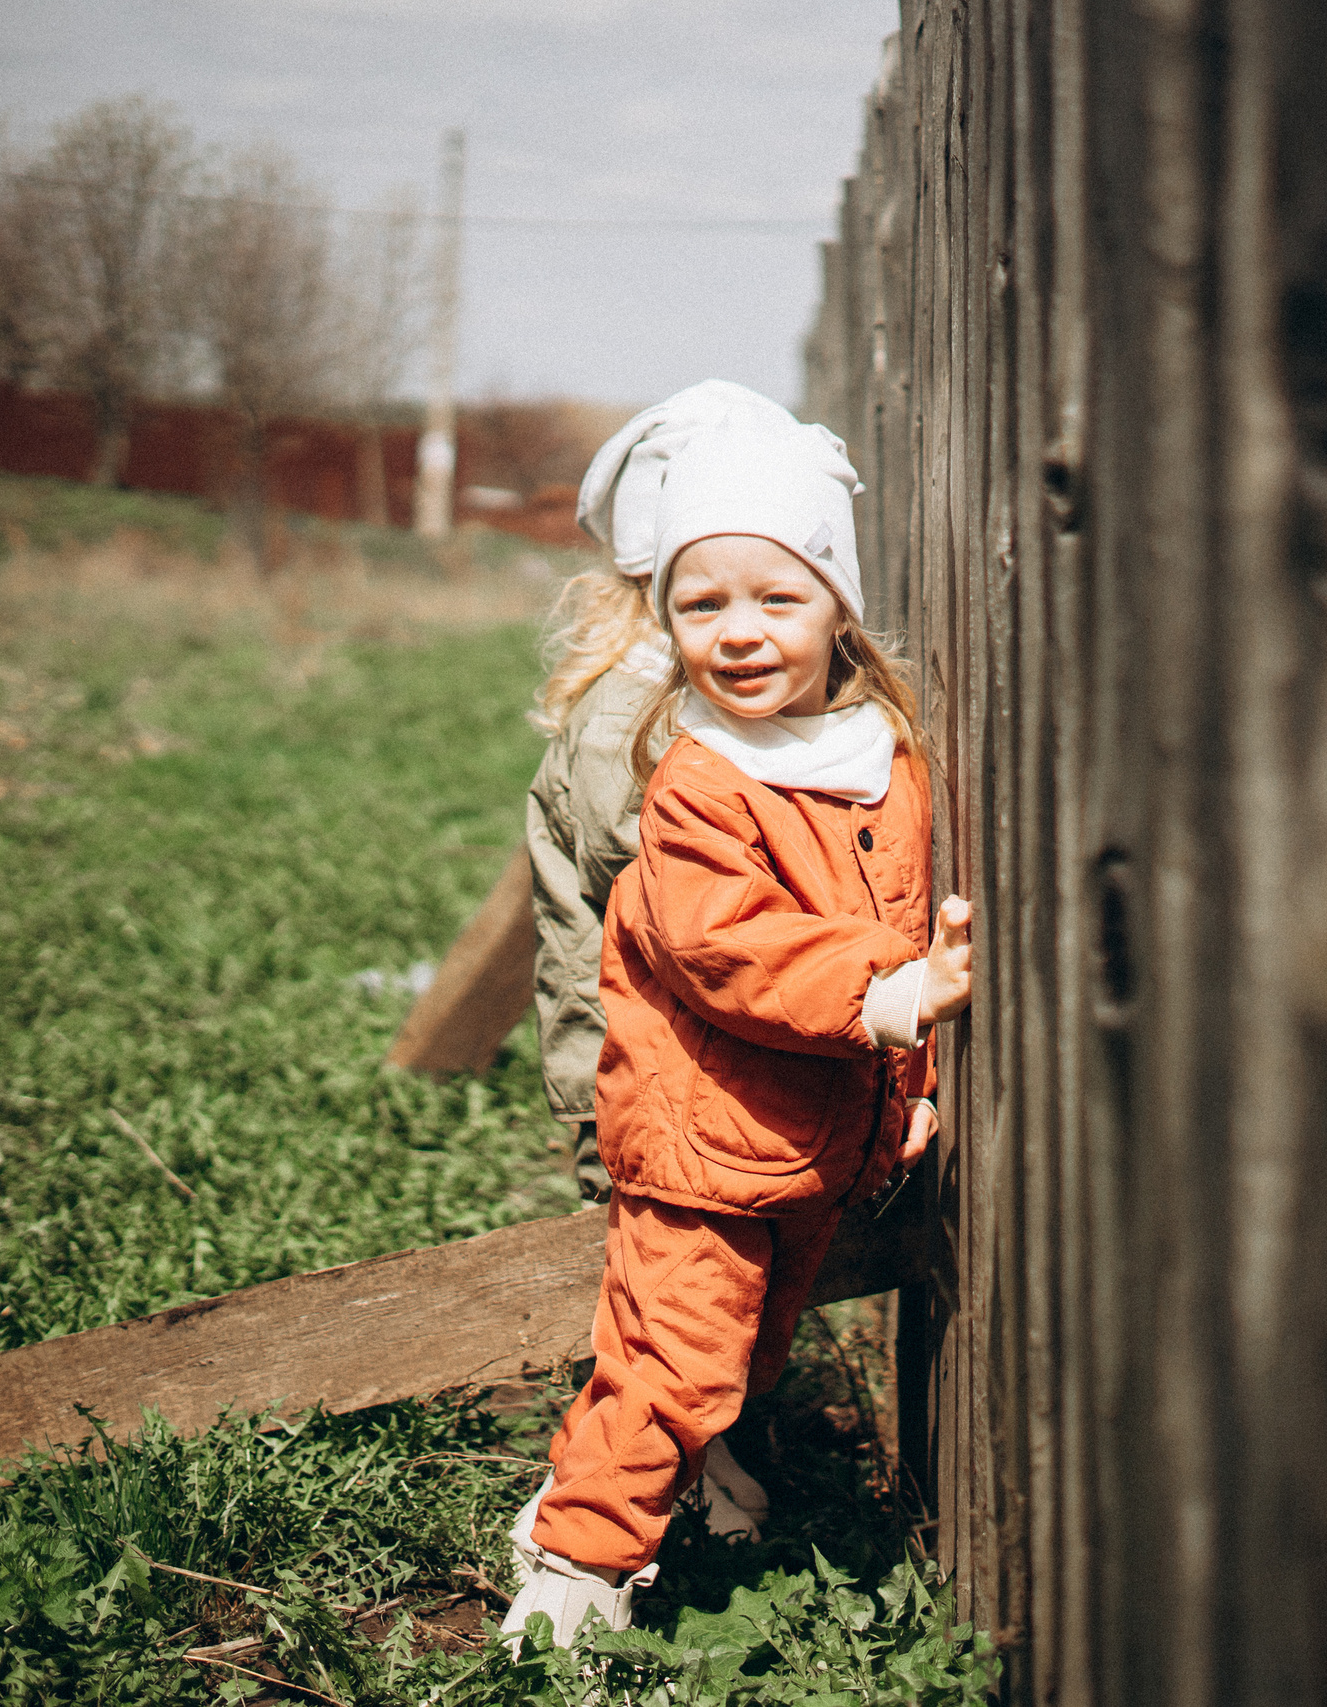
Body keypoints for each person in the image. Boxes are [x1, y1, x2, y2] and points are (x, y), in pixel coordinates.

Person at [501, 387, 974, 1653]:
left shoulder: (877, 756)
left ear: (838, 604)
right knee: (677, 1364)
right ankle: (567, 1593)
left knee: (739, 1357)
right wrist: (886, 999)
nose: (742, 633)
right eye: (702, 605)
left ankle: (595, 1504)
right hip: (704, 1140)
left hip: (804, 1140)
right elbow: (725, 946)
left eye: (777, 598)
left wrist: (907, 1082)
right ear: (663, 617)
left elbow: (896, 915)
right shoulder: (697, 776)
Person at [522, 381, 811, 1539]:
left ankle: (699, 1446)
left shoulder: (695, 702)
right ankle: (611, 1518)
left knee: (711, 1290)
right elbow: (694, 916)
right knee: (675, 1300)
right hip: (644, 1076)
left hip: (695, 1065)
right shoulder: (630, 727)